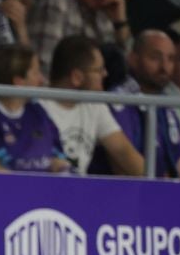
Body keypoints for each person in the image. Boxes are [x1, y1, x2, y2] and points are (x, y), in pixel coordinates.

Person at [45, 35, 142, 175]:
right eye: (99, 70)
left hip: (80, 193)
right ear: (76, 78)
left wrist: (161, 188)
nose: (105, 74)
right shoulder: (37, 106)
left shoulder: (95, 105)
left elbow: (124, 152)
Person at [0, 43, 68, 172]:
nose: (42, 80)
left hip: (44, 190)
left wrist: (62, 171)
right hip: (7, 191)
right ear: (19, 81)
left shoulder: (36, 110)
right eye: (36, 73)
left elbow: (59, 161)